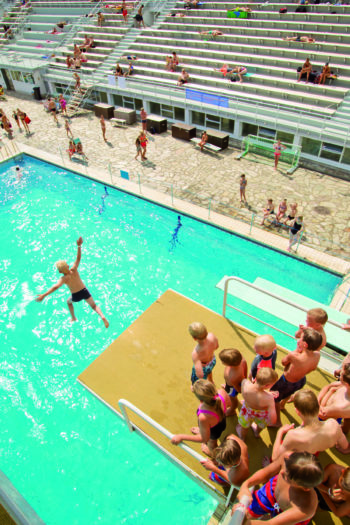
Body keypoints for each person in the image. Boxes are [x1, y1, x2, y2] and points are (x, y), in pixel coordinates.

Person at [35, 237, 109, 328]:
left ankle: (73, 318)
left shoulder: (63, 279)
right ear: (68, 266)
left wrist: (44, 295)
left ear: (60, 272)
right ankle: (102, 316)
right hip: (84, 291)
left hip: (76, 295)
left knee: (68, 302)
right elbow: (78, 258)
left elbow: (55, 287)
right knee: (94, 306)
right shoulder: (74, 269)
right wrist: (79, 246)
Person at [235, 451, 324, 524]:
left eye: (287, 477)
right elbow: (267, 473)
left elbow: (271, 524)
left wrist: (242, 519)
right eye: (285, 468)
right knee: (250, 512)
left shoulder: (306, 508)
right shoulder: (288, 458)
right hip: (271, 492)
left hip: (285, 513)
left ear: (304, 488)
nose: (281, 473)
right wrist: (245, 485)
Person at [270, 390, 348, 462]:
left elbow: (275, 458)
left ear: (297, 411)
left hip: (298, 458)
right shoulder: (333, 424)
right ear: (318, 406)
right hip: (313, 451)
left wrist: (280, 432)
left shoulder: (293, 435)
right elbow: (344, 446)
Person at [270, 328, 323, 427]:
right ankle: (283, 405)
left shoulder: (294, 356)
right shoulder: (317, 355)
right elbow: (313, 368)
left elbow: (283, 362)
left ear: (305, 345)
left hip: (286, 382)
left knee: (274, 398)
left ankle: (277, 422)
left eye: (301, 339)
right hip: (301, 380)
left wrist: (296, 351)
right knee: (289, 393)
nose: (298, 340)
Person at [171, 379, 230, 456]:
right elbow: (229, 403)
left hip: (214, 430)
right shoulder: (221, 392)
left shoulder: (203, 417)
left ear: (201, 400)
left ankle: (214, 455)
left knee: (212, 443)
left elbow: (204, 439)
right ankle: (204, 430)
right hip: (222, 421)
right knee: (208, 432)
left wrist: (181, 436)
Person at [236, 368, 278, 441]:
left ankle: (242, 437)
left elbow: (255, 392)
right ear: (267, 385)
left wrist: (267, 394)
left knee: (244, 426)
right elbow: (273, 420)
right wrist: (269, 395)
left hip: (247, 411)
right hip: (261, 415)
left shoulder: (245, 383)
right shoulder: (269, 399)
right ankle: (256, 432)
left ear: (255, 378)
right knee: (260, 425)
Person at [219, 348, 247, 415]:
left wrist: (239, 390)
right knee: (228, 388)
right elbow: (245, 367)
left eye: (222, 361)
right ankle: (227, 387)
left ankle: (233, 408)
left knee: (233, 398)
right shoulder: (242, 360)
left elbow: (238, 389)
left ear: (229, 365)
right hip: (231, 384)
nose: (221, 362)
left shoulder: (233, 377)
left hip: (232, 388)